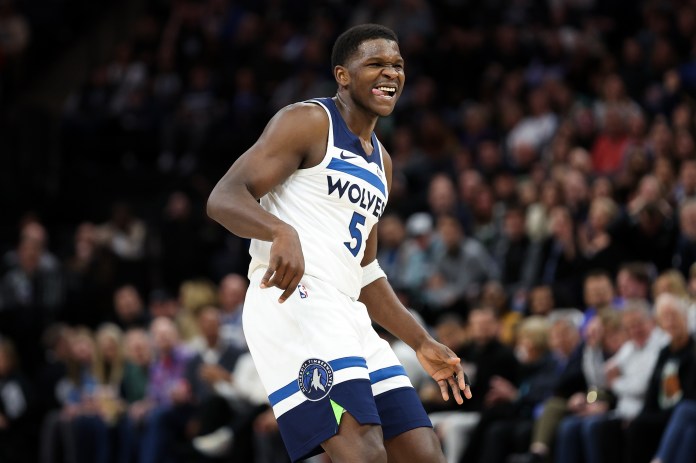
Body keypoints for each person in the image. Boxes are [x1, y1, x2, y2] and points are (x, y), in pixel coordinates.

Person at [207, 23, 471, 463]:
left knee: (422, 453)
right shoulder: (309, 122)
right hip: (295, 300)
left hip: (347, 312)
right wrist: (279, 230)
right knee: (363, 453)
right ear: (343, 75)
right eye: (376, 64)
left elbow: (365, 275)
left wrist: (421, 341)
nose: (390, 73)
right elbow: (223, 197)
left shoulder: (382, 163)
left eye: (397, 65)